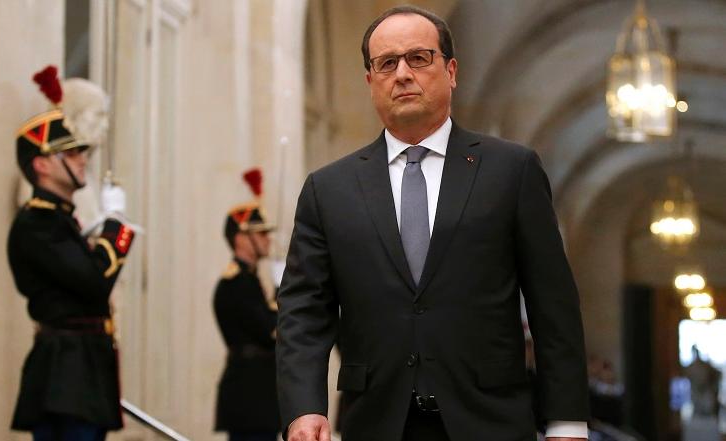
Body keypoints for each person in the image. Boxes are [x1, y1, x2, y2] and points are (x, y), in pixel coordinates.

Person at [276, 6, 589, 441]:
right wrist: (303, 408)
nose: (402, 73)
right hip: (375, 422)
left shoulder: (510, 171)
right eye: (386, 63)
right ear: (371, 82)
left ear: (451, 70)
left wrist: (567, 422)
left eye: (418, 58)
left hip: (490, 421)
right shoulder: (328, 190)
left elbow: (552, 306)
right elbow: (303, 312)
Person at [8, 66, 135, 440]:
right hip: (65, 376)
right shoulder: (37, 224)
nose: (82, 159)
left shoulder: (61, 222)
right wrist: (116, 225)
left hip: (83, 373)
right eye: (70, 153)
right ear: (42, 164)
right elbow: (95, 282)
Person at [214, 168, 281, 441]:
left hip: (260, 396)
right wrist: (282, 292)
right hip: (248, 396)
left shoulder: (251, 281)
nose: (267, 239)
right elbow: (270, 329)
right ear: (242, 238)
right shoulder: (236, 284)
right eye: (260, 233)